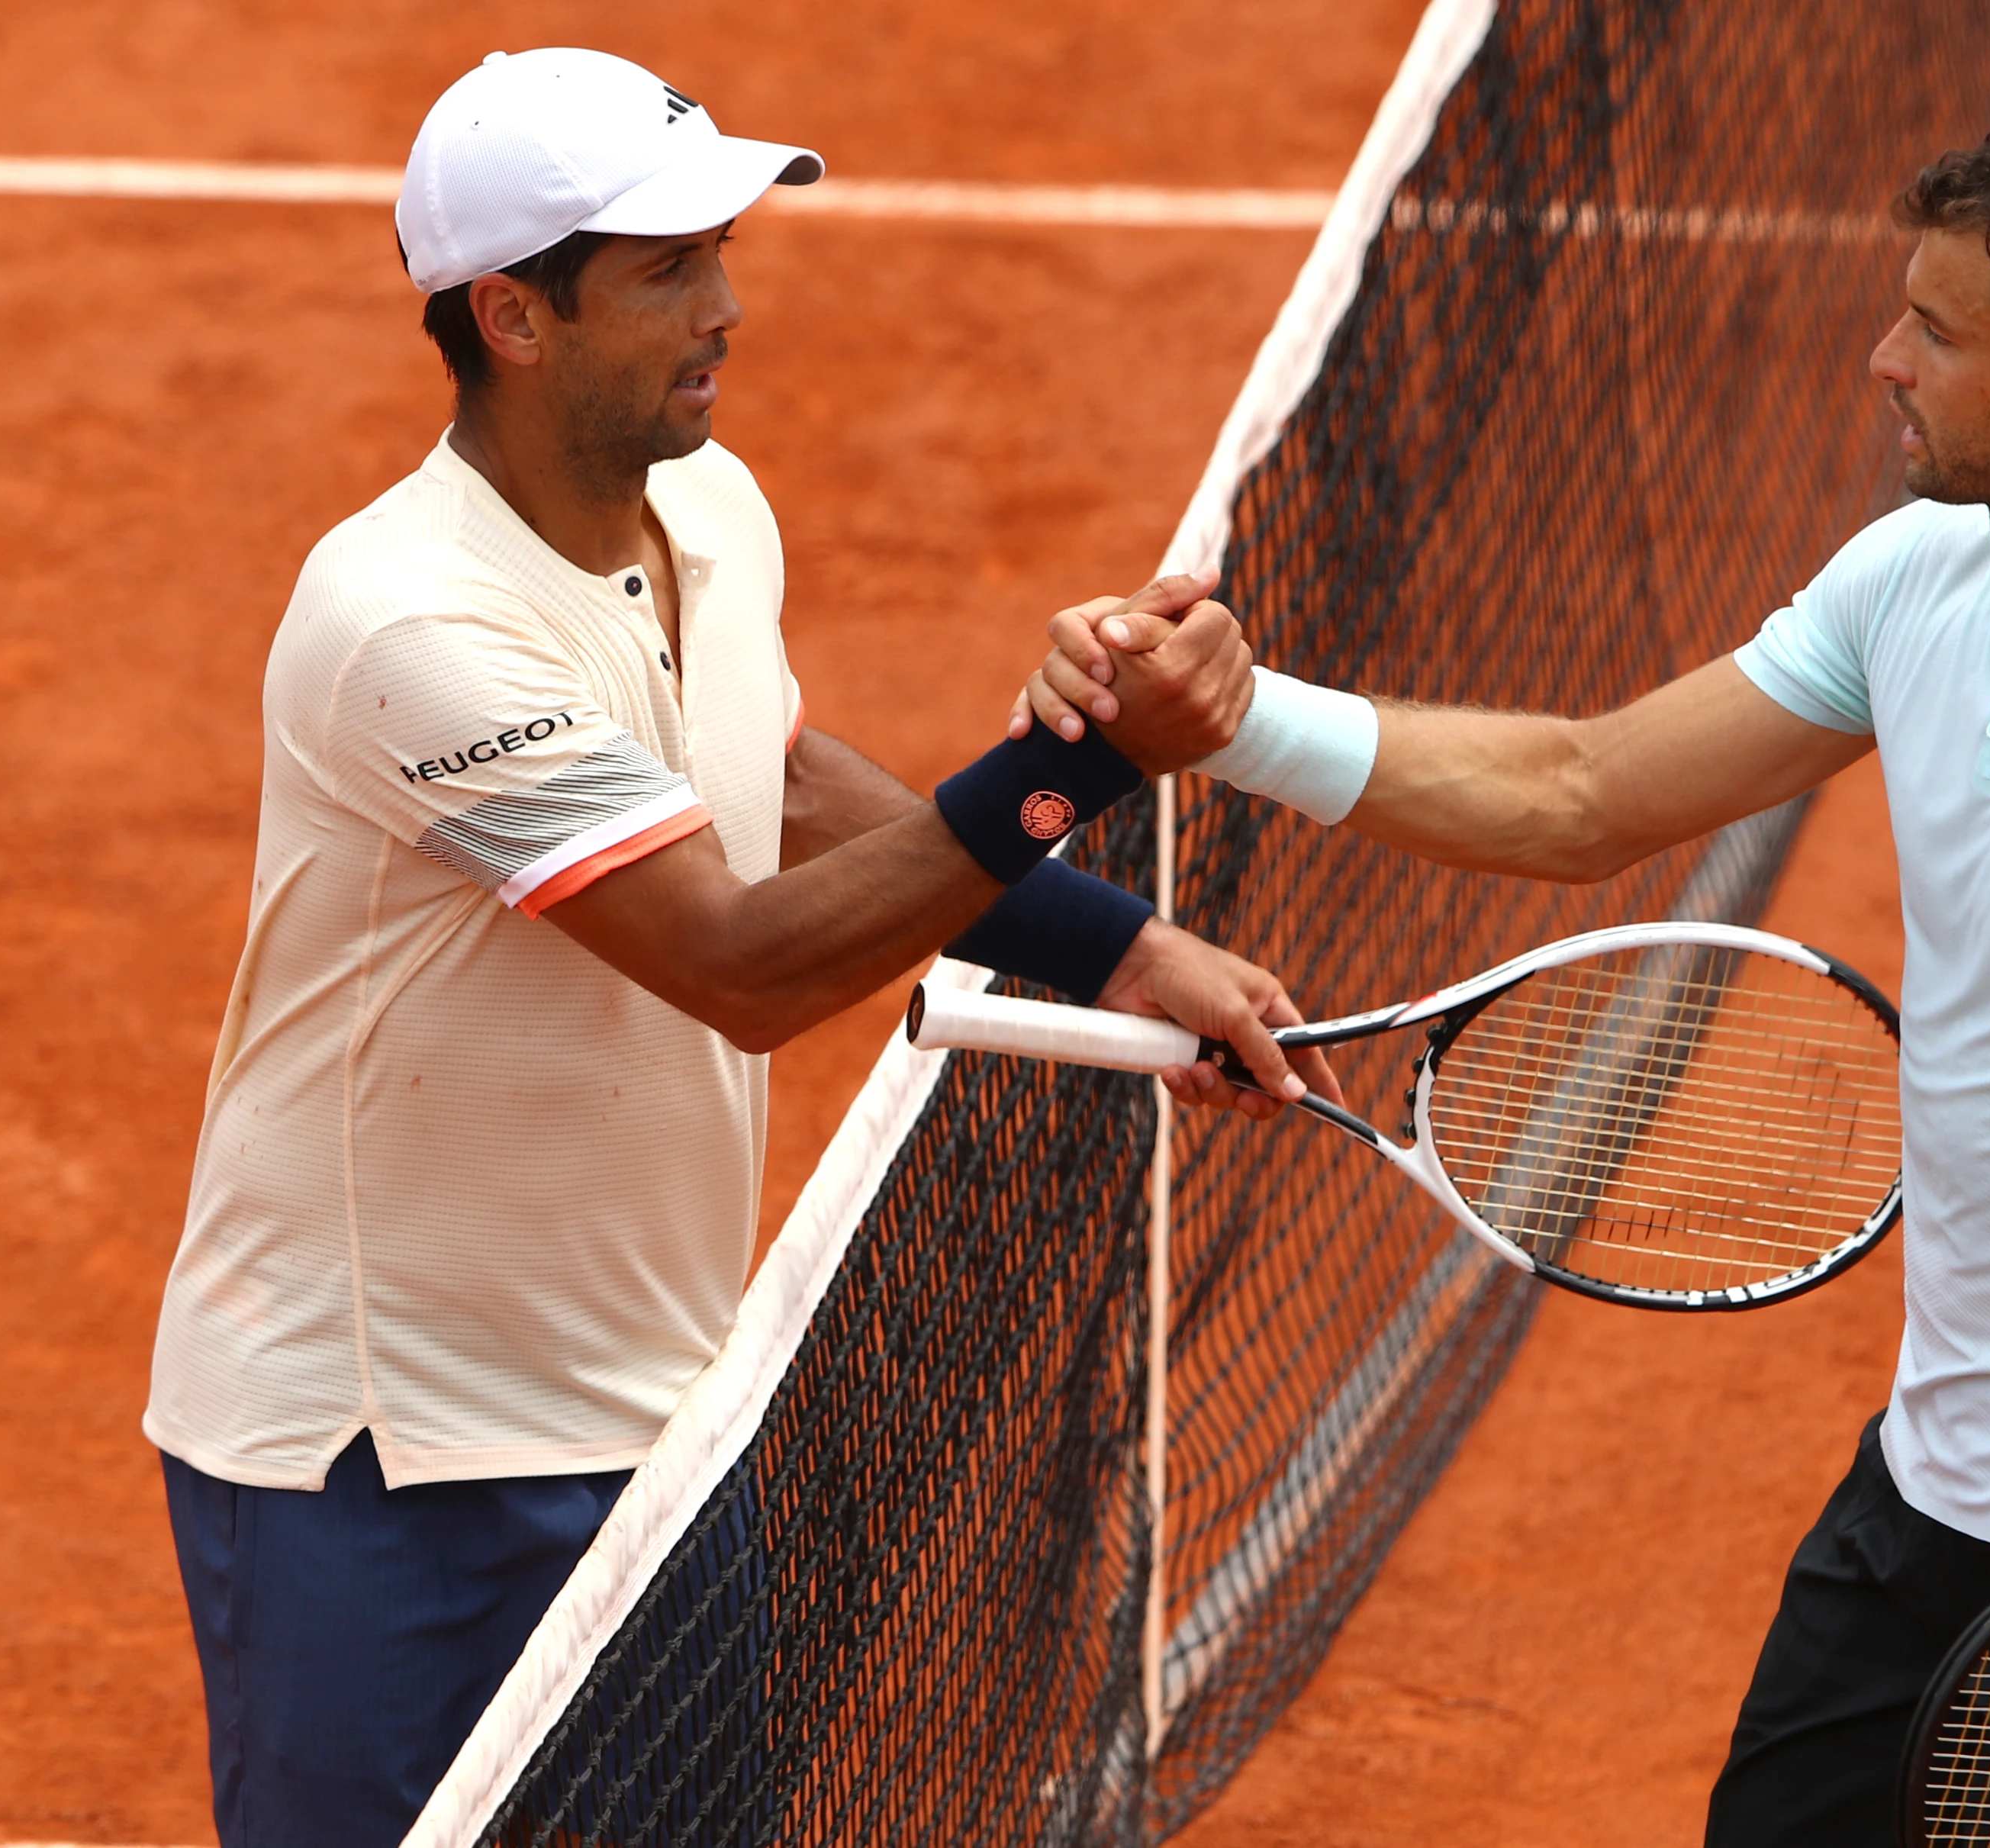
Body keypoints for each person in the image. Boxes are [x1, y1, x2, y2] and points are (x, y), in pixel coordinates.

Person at [1019, 119, 1990, 1848]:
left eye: (1936, 332)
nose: (1882, 360)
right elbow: (1581, 790)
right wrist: (1231, 723)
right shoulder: (1923, 579)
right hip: (1926, 1493)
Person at [142, 47, 1323, 1846]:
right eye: (669, 270)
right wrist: (1076, 763)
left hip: (653, 1411)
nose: (729, 304)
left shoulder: (712, 509)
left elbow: (764, 769)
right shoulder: (407, 625)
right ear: (511, 316)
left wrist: (1119, 948)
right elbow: (741, 961)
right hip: (383, 1460)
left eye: (721, 251)